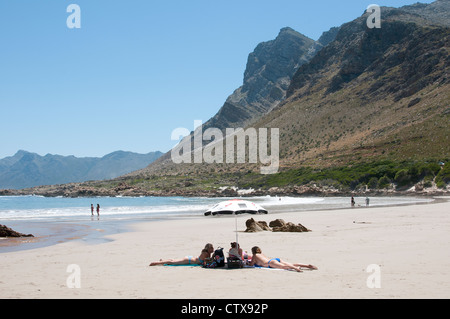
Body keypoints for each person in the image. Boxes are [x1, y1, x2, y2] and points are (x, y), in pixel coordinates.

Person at [248, 246, 317, 273]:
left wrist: (248, 263)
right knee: (291, 263)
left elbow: (251, 264)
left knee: (284, 267)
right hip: (275, 259)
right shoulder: (262, 254)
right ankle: (308, 266)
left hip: (270, 263)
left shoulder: (254, 255)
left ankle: (296, 268)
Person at [149, 243, 214, 266]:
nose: (213, 249)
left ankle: (162, 260)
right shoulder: (205, 253)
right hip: (189, 260)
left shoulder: (207, 253)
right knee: (172, 262)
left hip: (191, 258)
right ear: (208, 248)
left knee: (174, 260)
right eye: (212, 248)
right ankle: (155, 263)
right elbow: (206, 262)